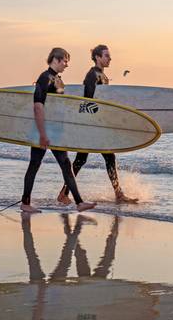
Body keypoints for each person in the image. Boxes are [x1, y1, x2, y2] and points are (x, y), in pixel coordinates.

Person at [57, 44, 138, 204]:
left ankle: (64, 193)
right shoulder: (92, 75)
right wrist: (93, 123)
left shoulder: (103, 76)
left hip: (96, 125)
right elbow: (88, 101)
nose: (110, 59)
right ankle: (118, 194)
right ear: (98, 57)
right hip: (91, 126)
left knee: (84, 160)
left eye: (109, 56)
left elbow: (103, 102)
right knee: (101, 158)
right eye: (106, 56)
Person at [21, 47, 96, 213]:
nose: (67, 65)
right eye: (65, 61)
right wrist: (42, 134)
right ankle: (25, 203)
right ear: (56, 59)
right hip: (44, 132)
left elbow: (59, 108)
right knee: (35, 164)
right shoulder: (45, 78)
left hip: (55, 132)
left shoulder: (58, 80)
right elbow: (38, 107)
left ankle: (79, 202)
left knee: (65, 164)